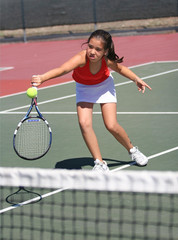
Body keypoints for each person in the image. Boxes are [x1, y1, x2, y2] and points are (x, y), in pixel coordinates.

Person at [31, 29, 152, 172]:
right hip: (84, 88)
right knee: (84, 123)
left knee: (111, 125)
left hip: (104, 86)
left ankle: (132, 150)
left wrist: (136, 79)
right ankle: (99, 163)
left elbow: (121, 69)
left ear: (105, 51)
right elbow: (63, 69)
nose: (92, 51)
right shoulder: (81, 58)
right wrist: (43, 78)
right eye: (90, 46)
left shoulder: (106, 61)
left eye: (98, 49)